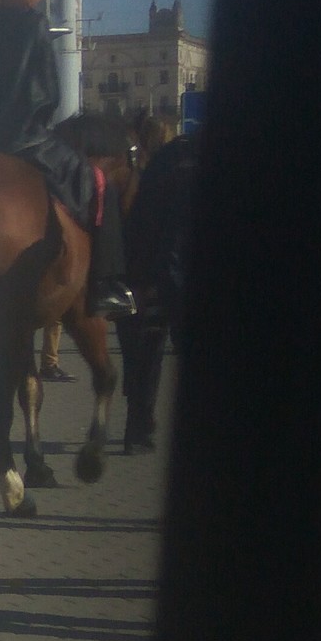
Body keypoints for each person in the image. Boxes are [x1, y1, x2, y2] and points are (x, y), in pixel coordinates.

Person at [0, 4, 135, 317]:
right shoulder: (29, 21)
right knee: (99, 184)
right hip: (21, 139)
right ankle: (107, 287)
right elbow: (43, 90)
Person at [118, 129, 199, 454]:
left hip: (144, 270)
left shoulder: (169, 158)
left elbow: (142, 221)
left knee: (146, 353)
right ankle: (139, 426)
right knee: (150, 351)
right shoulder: (185, 163)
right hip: (166, 272)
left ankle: (138, 425)